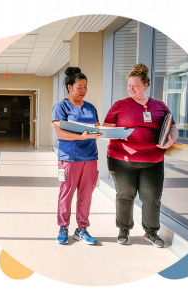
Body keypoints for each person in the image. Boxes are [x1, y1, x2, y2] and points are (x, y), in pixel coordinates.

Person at [103, 63, 178, 247]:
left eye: (135, 85)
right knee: (125, 195)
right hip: (122, 160)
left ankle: (151, 232)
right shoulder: (120, 106)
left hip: (153, 161)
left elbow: (172, 127)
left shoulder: (160, 106)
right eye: (129, 85)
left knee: (151, 197)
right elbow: (107, 129)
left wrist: (171, 141)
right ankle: (124, 230)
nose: (131, 89)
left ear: (145, 85)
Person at [52, 66, 102, 245]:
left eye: (85, 87)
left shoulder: (90, 108)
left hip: (90, 157)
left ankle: (81, 229)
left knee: (86, 194)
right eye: (79, 87)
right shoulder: (61, 106)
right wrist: (82, 136)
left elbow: (96, 128)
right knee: (66, 193)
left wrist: (99, 132)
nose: (83, 91)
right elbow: (61, 134)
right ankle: (63, 226)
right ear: (70, 87)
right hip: (69, 158)